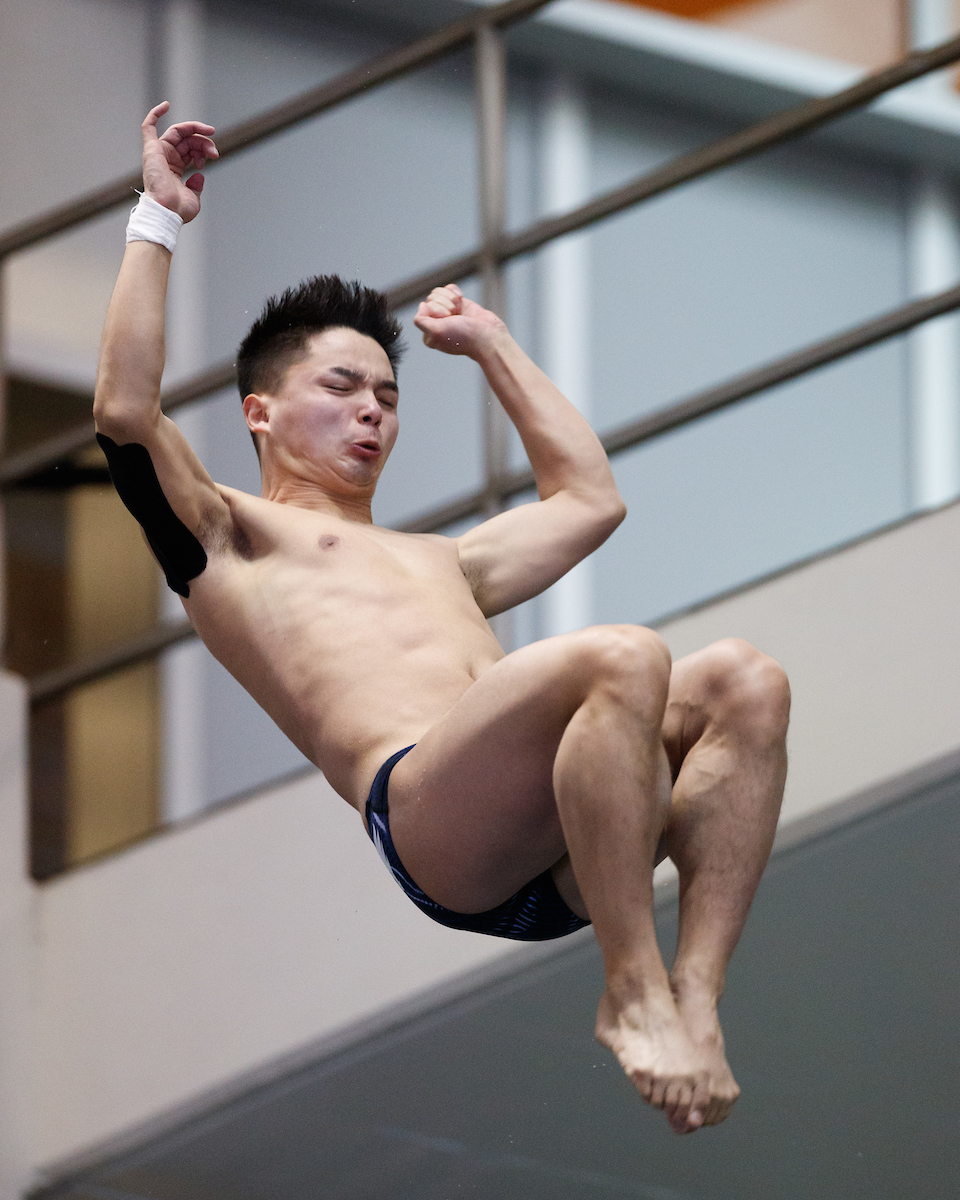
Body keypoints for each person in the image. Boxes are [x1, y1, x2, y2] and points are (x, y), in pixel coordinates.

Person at [94, 103, 790, 1136]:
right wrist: (156, 218)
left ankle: (695, 998)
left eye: (387, 395)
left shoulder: (445, 560)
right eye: (342, 387)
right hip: (436, 828)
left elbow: (590, 499)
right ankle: (632, 988)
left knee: (746, 679)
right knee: (623, 655)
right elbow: (123, 411)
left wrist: (491, 343)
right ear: (259, 413)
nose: (372, 410)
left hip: (571, 831)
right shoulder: (227, 537)